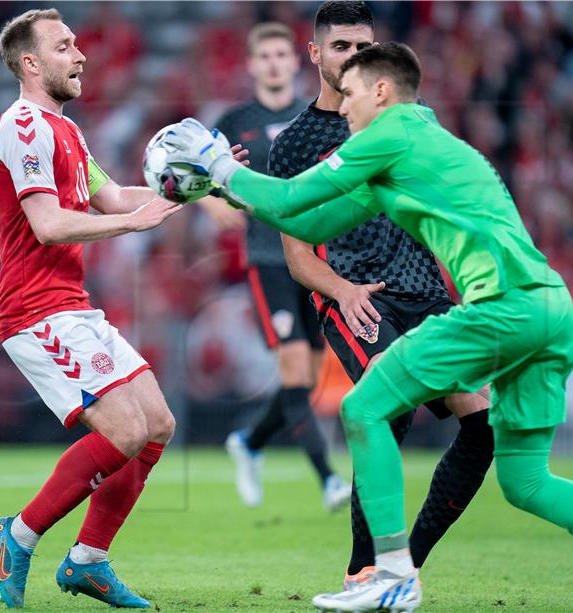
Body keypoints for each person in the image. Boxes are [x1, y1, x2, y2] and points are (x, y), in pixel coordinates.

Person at [161, 41, 573, 613]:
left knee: (364, 408)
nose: (345, 110)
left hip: (502, 304)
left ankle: (389, 573)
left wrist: (221, 163)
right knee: (526, 483)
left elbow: (290, 192)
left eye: (352, 95)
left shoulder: (391, 131)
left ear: (381, 91)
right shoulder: (412, 146)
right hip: (548, 309)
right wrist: (222, 185)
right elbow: (297, 215)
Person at [271, 1, 493, 589]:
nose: (352, 58)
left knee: (484, 426)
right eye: (340, 47)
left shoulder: (409, 120)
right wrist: (341, 290)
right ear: (314, 53)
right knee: (388, 408)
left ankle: (403, 565)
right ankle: (361, 572)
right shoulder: (294, 145)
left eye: (362, 47)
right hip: (358, 299)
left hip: (430, 295)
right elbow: (297, 257)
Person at [0, 9, 184, 609]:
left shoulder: (67, 132)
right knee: (124, 429)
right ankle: (16, 536)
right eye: (64, 46)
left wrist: (203, 184)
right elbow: (46, 226)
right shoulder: (24, 126)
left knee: (156, 424)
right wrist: (128, 223)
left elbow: (115, 195)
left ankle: (87, 561)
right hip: (34, 311)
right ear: (30, 63)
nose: (80, 56)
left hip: (71, 307)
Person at [202, 21, 352, 512]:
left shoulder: (315, 117)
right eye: (263, 55)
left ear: (296, 61)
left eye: (280, 55)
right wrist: (212, 204)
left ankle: (248, 442)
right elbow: (186, 171)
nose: (272, 63)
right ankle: (329, 479)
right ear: (251, 65)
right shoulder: (233, 119)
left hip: (313, 259)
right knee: (293, 372)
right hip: (267, 259)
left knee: (303, 380)